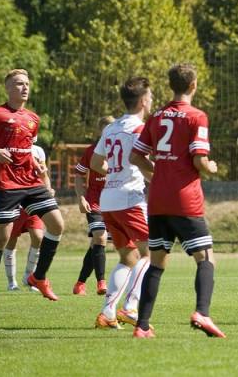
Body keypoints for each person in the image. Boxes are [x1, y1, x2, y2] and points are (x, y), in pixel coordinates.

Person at [130, 63, 224, 338]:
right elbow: (199, 161)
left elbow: (136, 156)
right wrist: (211, 168)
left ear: (171, 86)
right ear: (193, 85)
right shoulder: (197, 116)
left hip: (158, 199)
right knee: (206, 257)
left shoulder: (156, 116)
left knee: (157, 262)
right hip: (185, 200)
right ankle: (202, 313)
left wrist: (159, 174)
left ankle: (142, 326)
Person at [0, 69, 65, 312]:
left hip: (31, 182)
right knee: (2, 238)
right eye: (19, 84)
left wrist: (36, 163)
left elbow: (26, 148)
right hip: (5, 185)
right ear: (8, 88)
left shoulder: (33, 118)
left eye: (27, 84)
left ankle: (38, 277)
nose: (25, 88)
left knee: (57, 225)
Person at [90, 78, 152, 330]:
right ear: (143, 101)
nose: (151, 100)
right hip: (130, 199)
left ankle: (107, 313)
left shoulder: (110, 128)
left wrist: (116, 173)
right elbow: (142, 162)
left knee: (128, 258)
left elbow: (96, 163)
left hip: (108, 199)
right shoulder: (140, 129)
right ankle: (130, 308)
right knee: (150, 253)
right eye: (150, 96)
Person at [73, 115, 115, 296]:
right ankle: (101, 283)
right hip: (94, 202)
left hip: (115, 203)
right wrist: (81, 198)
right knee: (100, 236)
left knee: (96, 244)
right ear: (100, 131)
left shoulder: (120, 150)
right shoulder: (92, 151)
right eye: (106, 129)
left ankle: (80, 283)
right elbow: (78, 175)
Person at [3, 144, 50, 292]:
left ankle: (29, 277)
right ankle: (12, 282)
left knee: (38, 237)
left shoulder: (38, 150)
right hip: (15, 200)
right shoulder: (11, 147)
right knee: (11, 240)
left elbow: (43, 174)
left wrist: (48, 190)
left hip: (33, 199)